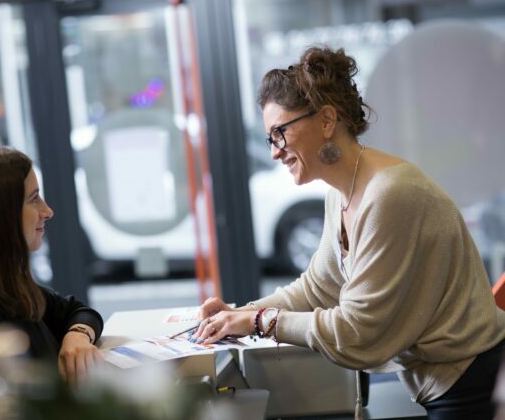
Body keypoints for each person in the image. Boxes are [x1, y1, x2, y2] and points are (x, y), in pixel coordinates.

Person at [192, 46, 505, 419]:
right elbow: (317, 288)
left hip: (472, 384)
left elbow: (357, 332)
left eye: (280, 132)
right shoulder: (340, 195)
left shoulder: (390, 194)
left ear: (326, 120)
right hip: (444, 383)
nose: (275, 152)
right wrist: (240, 314)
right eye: (270, 138)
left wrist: (260, 323)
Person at [0, 144, 103, 383]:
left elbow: (78, 311)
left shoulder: (11, 286)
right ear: (1, 214)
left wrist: (77, 336)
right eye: (34, 199)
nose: (47, 211)